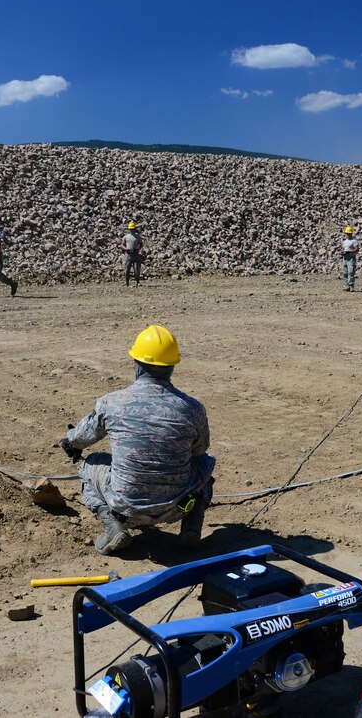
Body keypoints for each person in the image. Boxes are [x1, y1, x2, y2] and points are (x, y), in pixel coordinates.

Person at [59, 325, 215, 555]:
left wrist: (70, 443)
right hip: (177, 505)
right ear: (172, 366)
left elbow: (81, 437)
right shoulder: (193, 408)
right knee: (205, 464)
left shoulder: (111, 403)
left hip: (125, 507)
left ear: (135, 363)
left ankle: (113, 525)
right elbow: (199, 451)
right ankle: (191, 526)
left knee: (90, 464)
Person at [121, 221, 144, 286]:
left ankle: (138, 282)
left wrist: (138, 249)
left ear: (134, 229)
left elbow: (141, 244)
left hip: (135, 254)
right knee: (127, 269)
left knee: (136, 269)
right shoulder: (126, 236)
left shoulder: (137, 236)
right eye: (130, 229)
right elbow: (122, 245)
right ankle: (126, 282)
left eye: (132, 229)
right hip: (128, 254)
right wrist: (126, 249)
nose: (131, 230)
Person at [340, 225, 361, 292]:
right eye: (347, 233)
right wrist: (343, 252)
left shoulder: (354, 241)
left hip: (351, 257)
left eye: (349, 233)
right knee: (345, 272)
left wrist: (350, 252)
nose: (347, 234)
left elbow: (357, 249)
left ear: (351, 233)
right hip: (345, 258)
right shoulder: (345, 241)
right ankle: (347, 286)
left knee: (351, 271)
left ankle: (351, 285)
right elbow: (343, 249)